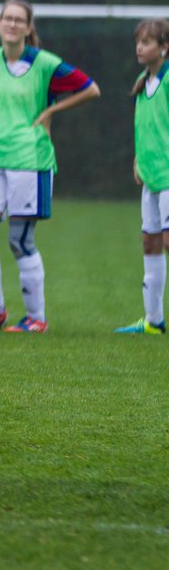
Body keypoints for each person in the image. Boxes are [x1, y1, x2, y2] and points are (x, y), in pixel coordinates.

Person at [0, 0, 101, 332]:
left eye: (18, 20)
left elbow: (91, 88)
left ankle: (36, 318)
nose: (11, 25)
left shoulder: (45, 63)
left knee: (19, 241)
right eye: (6, 18)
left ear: (28, 27)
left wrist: (51, 111)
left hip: (30, 159)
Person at [116, 19, 169, 334]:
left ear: (164, 47)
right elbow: (146, 127)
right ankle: (153, 321)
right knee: (150, 243)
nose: (140, 47)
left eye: (148, 42)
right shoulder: (142, 80)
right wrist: (139, 158)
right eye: (138, 41)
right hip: (151, 177)